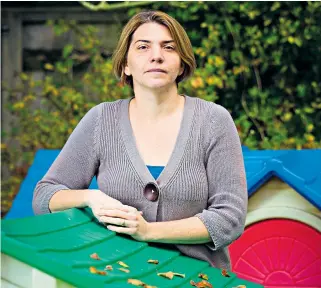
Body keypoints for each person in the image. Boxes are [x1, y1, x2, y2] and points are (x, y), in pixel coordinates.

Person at [33, 10, 248, 270]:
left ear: (181, 63)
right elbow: (45, 197)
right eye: (143, 46)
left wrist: (148, 231)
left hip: (198, 278)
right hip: (115, 274)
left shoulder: (213, 120)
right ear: (125, 64)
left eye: (168, 47)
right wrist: (91, 197)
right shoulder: (102, 119)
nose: (156, 55)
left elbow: (230, 219)